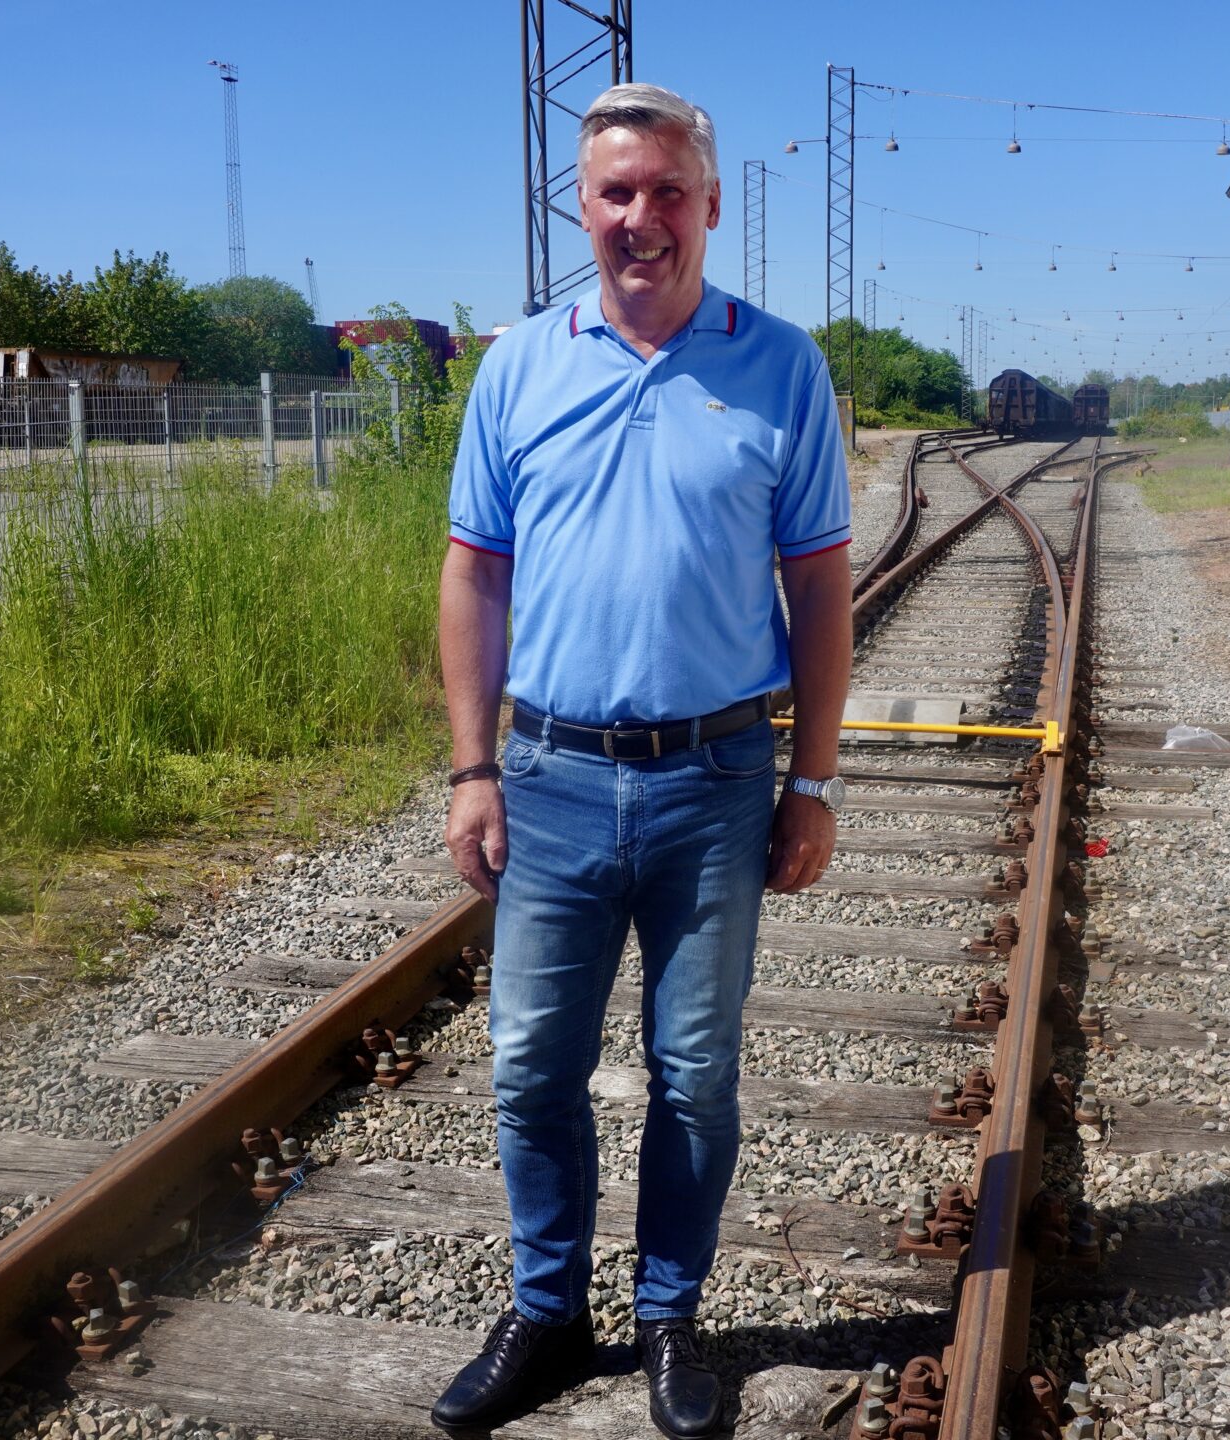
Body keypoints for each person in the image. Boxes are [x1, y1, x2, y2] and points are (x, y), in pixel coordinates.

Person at [430, 82, 854, 1439]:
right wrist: (472, 768)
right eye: (616, 191)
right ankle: (548, 1314)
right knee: (530, 1068)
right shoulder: (519, 366)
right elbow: (475, 573)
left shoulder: (780, 364)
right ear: (582, 207)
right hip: (550, 776)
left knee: (696, 1073)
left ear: (709, 205)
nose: (642, 217)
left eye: (669, 190)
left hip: (714, 781)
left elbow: (821, 584)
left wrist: (813, 782)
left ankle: (669, 1318)